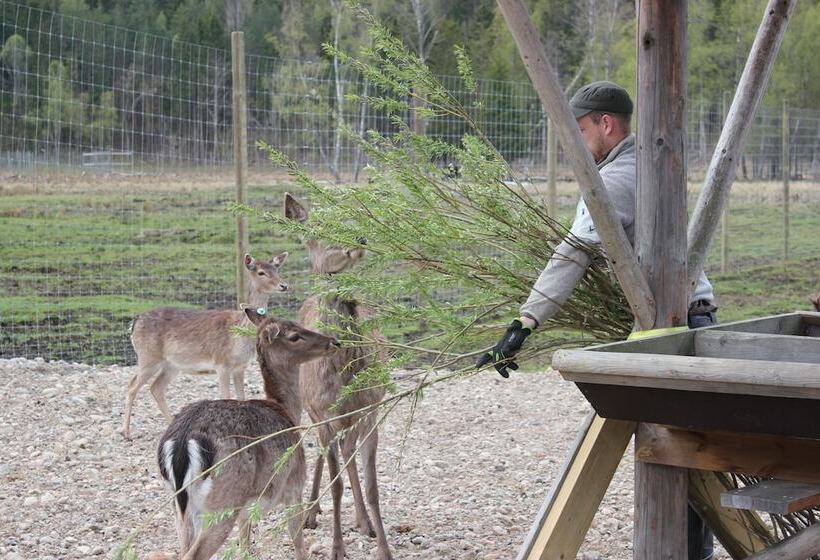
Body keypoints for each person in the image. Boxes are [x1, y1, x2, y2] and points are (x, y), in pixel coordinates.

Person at [476, 81, 716, 560]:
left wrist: (523, 325)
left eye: (581, 130)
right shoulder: (651, 166)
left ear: (606, 124)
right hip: (698, 315)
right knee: (694, 449)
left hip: (672, 325)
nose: (577, 143)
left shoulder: (612, 181)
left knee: (672, 447)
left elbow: (572, 255)